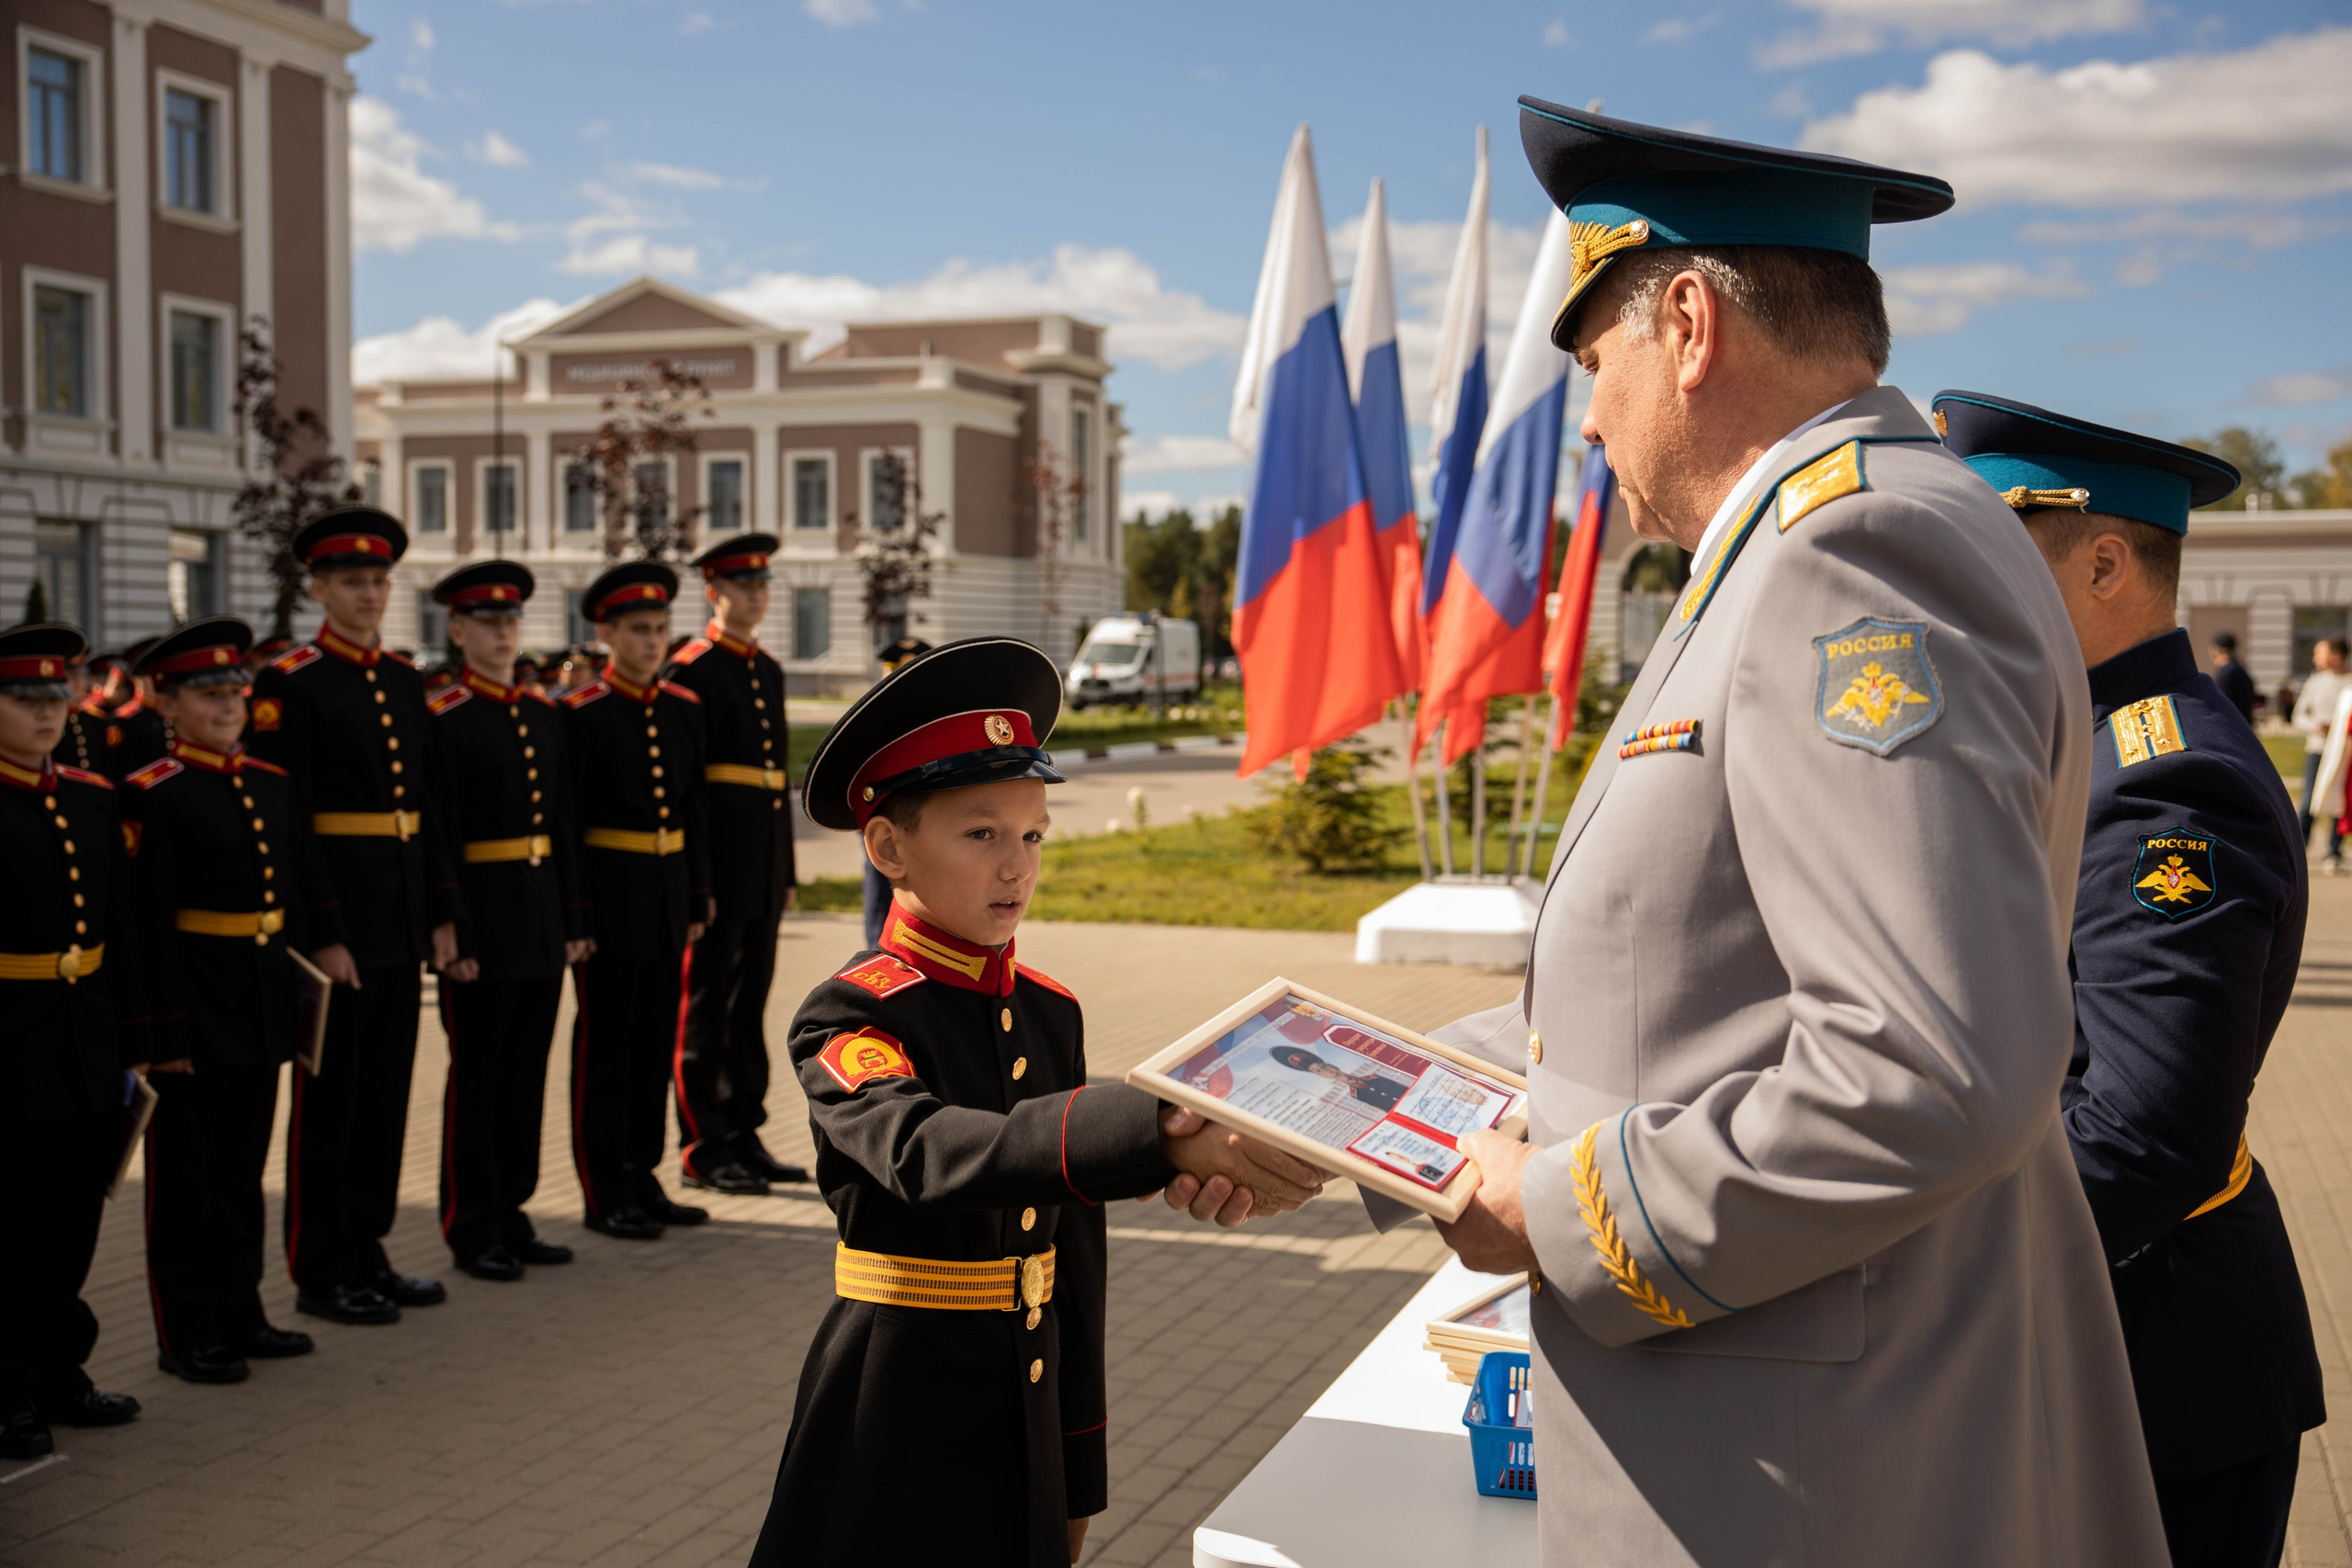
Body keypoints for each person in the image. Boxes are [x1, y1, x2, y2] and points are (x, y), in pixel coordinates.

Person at [1422, 100, 2166, 1562]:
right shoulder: (1811, 543)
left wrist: (1570, 1211)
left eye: (1594, 361)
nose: (1589, 417)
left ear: (1688, 324)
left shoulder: (1852, 555)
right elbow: (1693, 978)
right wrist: (1361, 1093)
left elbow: (1930, 1067)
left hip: (1806, 1465)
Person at [751, 637, 1326, 1568]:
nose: (1016, 866)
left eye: (1034, 836)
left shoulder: (1050, 1011)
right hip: (888, 1423)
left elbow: (1072, 1261)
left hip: (1024, 1423)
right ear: (888, 847)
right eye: (981, 835)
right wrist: (1159, 1130)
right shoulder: (851, 1014)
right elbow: (928, 1151)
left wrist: (1075, 1469)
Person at [1939, 391, 2324, 1568]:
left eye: (1990, 553)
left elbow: (2147, 1130)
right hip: (2112, 1333)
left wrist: (1911, 1262)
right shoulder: (2090, 741)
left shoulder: (2163, 781)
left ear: (2104, 564)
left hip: (2161, 1370)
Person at [246, 507, 460, 1325]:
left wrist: (440, 911)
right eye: (351, 581)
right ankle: (320, 1265)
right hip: (339, 925)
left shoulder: (403, 679)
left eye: (378, 580)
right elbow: (289, 821)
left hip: (398, 922)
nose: (369, 594)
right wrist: (324, 931)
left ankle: (368, 1246)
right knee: (330, 1106)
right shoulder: (291, 683)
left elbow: (426, 808)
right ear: (319, 588)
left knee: (384, 1098)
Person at [119, 617, 322, 1385]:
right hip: (196, 1008)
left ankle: (243, 1309)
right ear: (165, 702)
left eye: (234, 691)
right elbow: (147, 925)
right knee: (186, 1179)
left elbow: (289, 896)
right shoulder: (152, 794)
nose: (228, 705)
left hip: (259, 999)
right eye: (207, 694)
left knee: (242, 1170)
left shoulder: (269, 781)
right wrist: (164, 1030)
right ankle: (187, 1328)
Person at [0, 622, 148, 1459]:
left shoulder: (90, 795)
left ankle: (58, 1369)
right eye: (25, 699)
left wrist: (132, 1034)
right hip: (11, 1039)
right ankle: (4, 1387)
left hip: (83, 1034)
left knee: (71, 1218)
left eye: (56, 696)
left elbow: (119, 925)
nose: (47, 712)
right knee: (13, 1221)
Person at [426, 562, 586, 1281]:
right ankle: (471, 1223)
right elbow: (439, 829)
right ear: (458, 631)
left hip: (539, 916)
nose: (502, 633)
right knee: (479, 1078)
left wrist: (573, 918)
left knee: (524, 1076)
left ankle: (514, 1211)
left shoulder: (544, 715)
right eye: (487, 622)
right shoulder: (447, 717)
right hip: (482, 920)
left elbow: (563, 824)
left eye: (510, 621)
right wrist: (451, 924)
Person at [560, 562, 712, 1241]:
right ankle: (604, 1188)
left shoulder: (682, 709)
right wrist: (578, 914)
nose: (652, 642)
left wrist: (699, 894)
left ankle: (643, 1174)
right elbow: (568, 825)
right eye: (638, 630)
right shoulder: (582, 714)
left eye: (659, 630)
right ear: (607, 635)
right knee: (608, 1049)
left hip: (666, 899)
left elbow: (693, 811)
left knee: (653, 1045)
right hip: (611, 902)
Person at [665, 533, 806, 1195]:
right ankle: (703, 1142)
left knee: (749, 1005)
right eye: (742, 586)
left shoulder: (767, 669)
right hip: (718, 871)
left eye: (761, 585)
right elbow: (687, 791)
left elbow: (775, 785)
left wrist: (786, 871)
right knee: (706, 1009)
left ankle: (744, 1130)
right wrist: (698, 881)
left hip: (761, 869)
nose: (755, 596)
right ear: (713, 592)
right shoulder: (691, 669)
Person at [863, 637, 932, 948]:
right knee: (881, 882)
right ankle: (879, 949)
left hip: (928, 816)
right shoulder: (871, 717)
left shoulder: (935, 717)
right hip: (882, 811)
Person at [2291, 637, 2348, 872]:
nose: (2316, 658)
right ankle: (2298, 849)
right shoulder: (2315, 682)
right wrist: (2316, 726)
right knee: (2308, 800)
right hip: (2317, 749)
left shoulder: (2349, 684)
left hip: (2343, 753)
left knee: (2339, 802)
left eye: (2320, 653)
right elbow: (2298, 716)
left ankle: (2334, 852)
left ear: (2336, 655)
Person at [104, 634, 170, 780]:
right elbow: (119, 770)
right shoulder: (124, 720)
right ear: (135, 677)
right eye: (148, 674)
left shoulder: (174, 713)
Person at [1268, 1044, 1407, 1111]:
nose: (1326, 1071)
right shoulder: (1357, 1095)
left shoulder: (1373, 1076)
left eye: (1323, 1066)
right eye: (1319, 1071)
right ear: (1321, 1076)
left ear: (1333, 1065)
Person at [2210, 631, 2259, 728]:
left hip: (2233, 727)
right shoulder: (2239, 669)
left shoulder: (2228, 673)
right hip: (2243, 724)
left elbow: (2220, 702)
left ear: (2216, 651)